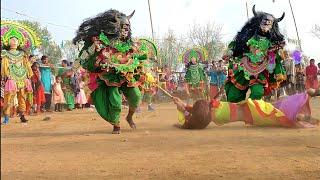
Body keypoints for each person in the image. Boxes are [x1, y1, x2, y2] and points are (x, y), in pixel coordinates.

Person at [73, 9, 152, 134]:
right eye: (123, 27)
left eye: (128, 27)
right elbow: (86, 57)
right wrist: (94, 60)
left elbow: (136, 56)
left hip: (126, 75)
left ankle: (129, 117)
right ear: (116, 27)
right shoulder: (102, 40)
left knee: (136, 96)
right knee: (115, 100)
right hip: (109, 75)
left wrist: (143, 58)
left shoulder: (130, 43)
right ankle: (116, 124)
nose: (126, 30)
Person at [224, 5, 286, 103]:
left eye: (269, 23)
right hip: (243, 67)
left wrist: (274, 57)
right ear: (258, 22)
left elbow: (273, 61)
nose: (266, 24)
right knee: (233, 96)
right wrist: (230, 52)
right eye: (264, 22)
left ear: (272, 26)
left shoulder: (274, 43)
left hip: (261, 71)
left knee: (257, 93)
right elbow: (236, 46)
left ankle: (251, 111)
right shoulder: (247, 36)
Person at [172, 89, 319, 129]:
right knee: (278, 107)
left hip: (254, 114)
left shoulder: (212, 115)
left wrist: (183, 107)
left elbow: (197, 113)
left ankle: (307, 114)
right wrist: (183, 107)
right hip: (253, 109)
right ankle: (309, 96)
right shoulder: (211, 110)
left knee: (279, 113)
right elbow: (197, 111)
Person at [1, 21, 39, 124]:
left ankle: (22, 116)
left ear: (20, 41)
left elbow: (26, 65)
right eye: (12, 39)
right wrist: (6, 75)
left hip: (22, 77)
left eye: (16, 39)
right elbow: (4, 66)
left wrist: (28, 75)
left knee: (22, 97)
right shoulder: (5, 53)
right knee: (9, 98)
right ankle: (6, 118)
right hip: (12, 77)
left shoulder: (22, 54)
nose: (14, 41)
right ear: (7, 41)